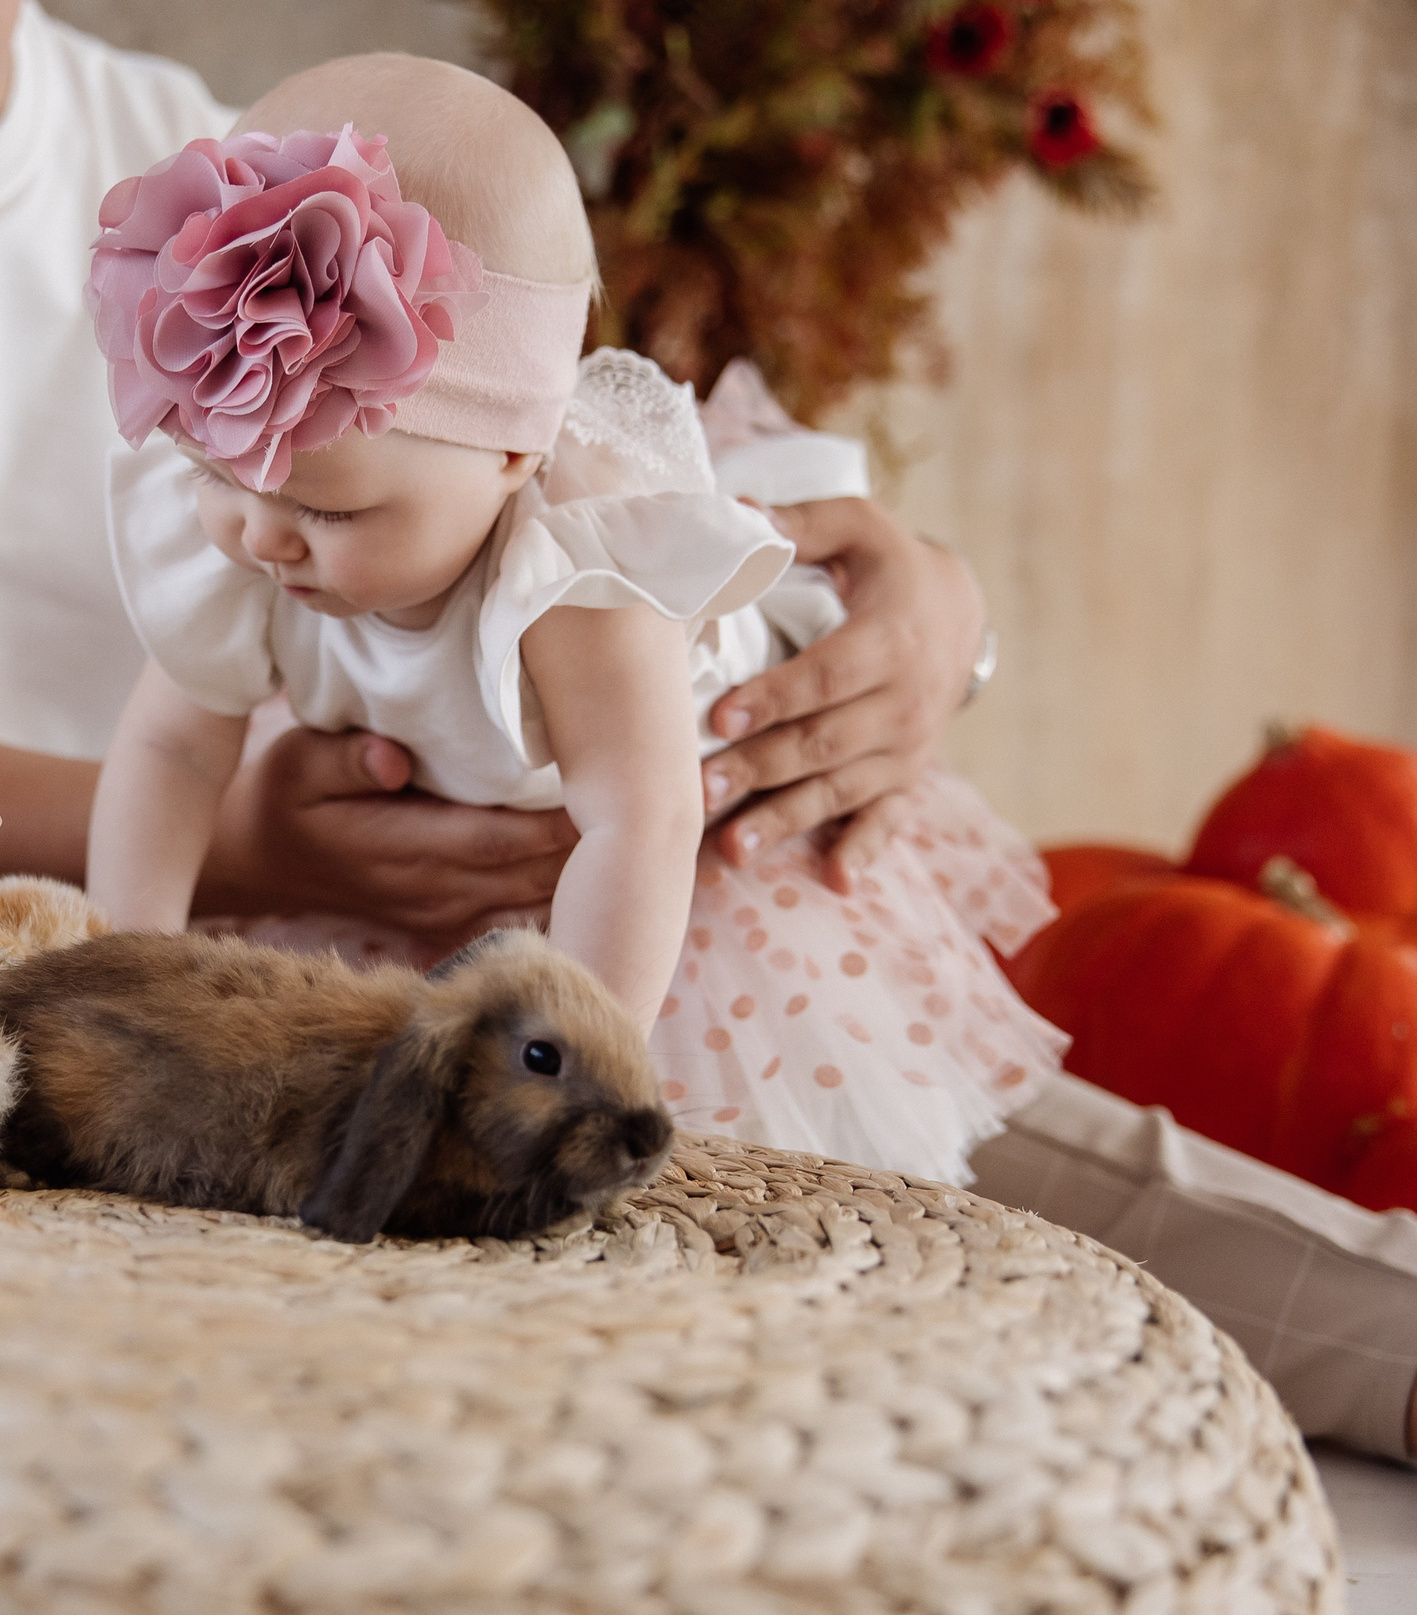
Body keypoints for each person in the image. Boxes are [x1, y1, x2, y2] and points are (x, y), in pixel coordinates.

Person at [0, 0, 1417, 1464]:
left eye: (318, 507)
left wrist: (921, 614)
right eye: (241, 495)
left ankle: (1379, 1334)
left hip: (593, 916)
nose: (262, 532)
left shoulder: (241, 169)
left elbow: (640, 722)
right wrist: (182, 920)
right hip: (232, 957)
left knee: (966, 1181)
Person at [82, 64, 1066, 1182]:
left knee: (719, 1174)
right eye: (217, 472)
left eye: (325, 508)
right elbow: (170, 745)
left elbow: (640, 823)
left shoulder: (576, 585)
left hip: (693, 847)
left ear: (513, 453)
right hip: (466, 837)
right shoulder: (253, 532)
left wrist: (581, 1086)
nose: (259, 535)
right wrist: (132, 966)